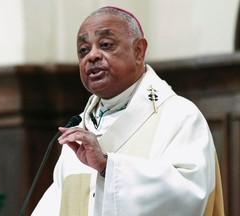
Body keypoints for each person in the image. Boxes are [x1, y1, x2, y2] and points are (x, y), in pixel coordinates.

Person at [32, 6, 224, 216]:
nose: (92, 56)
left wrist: (108, 167)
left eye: (105, 45)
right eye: (83, 50)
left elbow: (190, 195)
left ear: (138, 51)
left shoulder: (179, 116)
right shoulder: (77, 133)